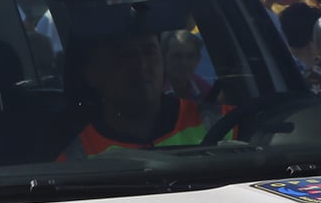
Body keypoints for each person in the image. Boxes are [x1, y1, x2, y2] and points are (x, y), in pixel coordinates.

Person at [61, 30, 216, 158]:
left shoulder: (218, 122)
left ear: (163, 62)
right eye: (123, 55)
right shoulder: (75, 157)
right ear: (92, 74)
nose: (141, 65)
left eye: (149, 52)